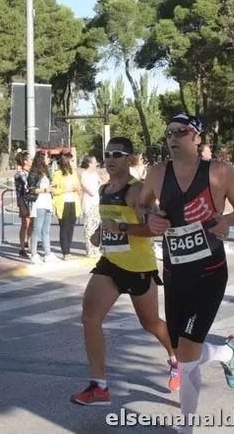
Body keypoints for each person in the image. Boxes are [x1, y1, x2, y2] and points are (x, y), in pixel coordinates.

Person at [140, 114, 234, 431]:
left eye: (180, 132)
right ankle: (227, 352)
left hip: (209, 271)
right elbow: (142, 205)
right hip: (175, 272)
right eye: (168, 133)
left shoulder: (219, 172)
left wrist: (227, 221)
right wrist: (150, 217)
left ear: (197, 137)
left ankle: (186, 427)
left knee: (187, 352)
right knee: (181, 352)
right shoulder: (157, 173)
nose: (173, 138)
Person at [70, 137, 180, 406]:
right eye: (107, 154)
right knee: (89, 318)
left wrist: (120, 228)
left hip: (138, 266)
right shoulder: (105, 189)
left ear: (130, 159)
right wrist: (100, 233)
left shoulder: (137, 191)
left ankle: (176, 358)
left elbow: (155, 228)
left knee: (150, 323)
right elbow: (109, 221)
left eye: (117, 154)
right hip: (110, 264)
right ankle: (99, 386)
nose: (110, 159)